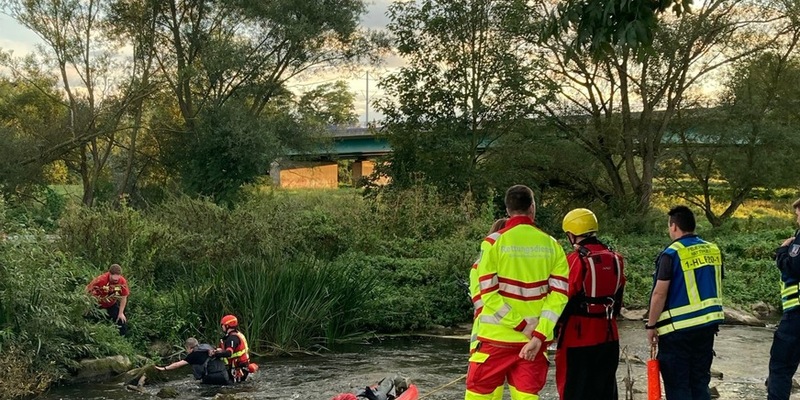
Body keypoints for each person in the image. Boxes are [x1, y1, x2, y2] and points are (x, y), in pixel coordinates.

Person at [466, 185, 570, 400]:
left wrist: (521, 326)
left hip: (496, 339)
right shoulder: (553, 245)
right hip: (533, 342)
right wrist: (538, 334)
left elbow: (488, 294)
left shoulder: (493, 243)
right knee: (527, 396)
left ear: (507, 210)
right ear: (533, 207)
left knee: (479, 395)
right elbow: (559, 297)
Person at [646, 205, 724, 400]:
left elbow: (659, 294)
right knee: (699, 382)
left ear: (674, 227)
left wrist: (651, 325)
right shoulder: (713, 250)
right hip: (707, 328)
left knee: (678, 386)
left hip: (677, 332)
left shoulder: (671, 254)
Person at [555, 208, 625, 400]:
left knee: (574, 390)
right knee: (605, 392)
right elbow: (618, 299)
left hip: (578, 336)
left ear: (571, 235)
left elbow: (562, 298)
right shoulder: (616, 258)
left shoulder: (575, 260)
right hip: (609, 335)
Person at [767, 198, 800, 400]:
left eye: (798, 213)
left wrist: (782, 251)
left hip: (796, 314)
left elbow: (794, 267)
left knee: (780, 367)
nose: (797, 217)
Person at [155, 337, 231, 385]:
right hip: (224, 375)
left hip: (213, 377)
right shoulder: (207, 347)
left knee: (201, 387)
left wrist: (164, 368)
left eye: (186, 348)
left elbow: (177, 365)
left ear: (189, 347)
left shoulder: (193, 355)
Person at [86, 263, 130, 336]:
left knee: (121, 321)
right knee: (89, 319)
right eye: (113, 279)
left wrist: (121, 313)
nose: (115, 281)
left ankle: (123, 339)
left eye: (117, 279)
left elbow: (124, 297)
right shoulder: (101, 279)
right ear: (110, 274)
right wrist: (87, 304)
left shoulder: (122, 282)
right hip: (98, 304)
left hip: (111, 304)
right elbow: (87, 290)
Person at [212, 314, 257, 382]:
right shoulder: (238, 335)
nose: (222, 327)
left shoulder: (232, 338)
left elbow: (229, 353)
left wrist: (215, 354)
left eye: (222, 325)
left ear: (227, 326)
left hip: (237, 369)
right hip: (242, 367)